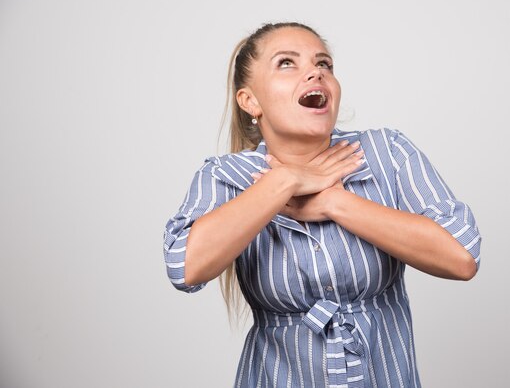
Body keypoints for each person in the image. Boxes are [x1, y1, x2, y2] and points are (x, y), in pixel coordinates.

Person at [163, 22, 481, 388]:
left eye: (324, 64)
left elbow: (461, 256)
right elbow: (184, 267)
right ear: (250, 101)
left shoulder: (386, 153)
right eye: (287, 63)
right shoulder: (226, 176)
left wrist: (333, 202)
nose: (315, 72)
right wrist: (287, 181)